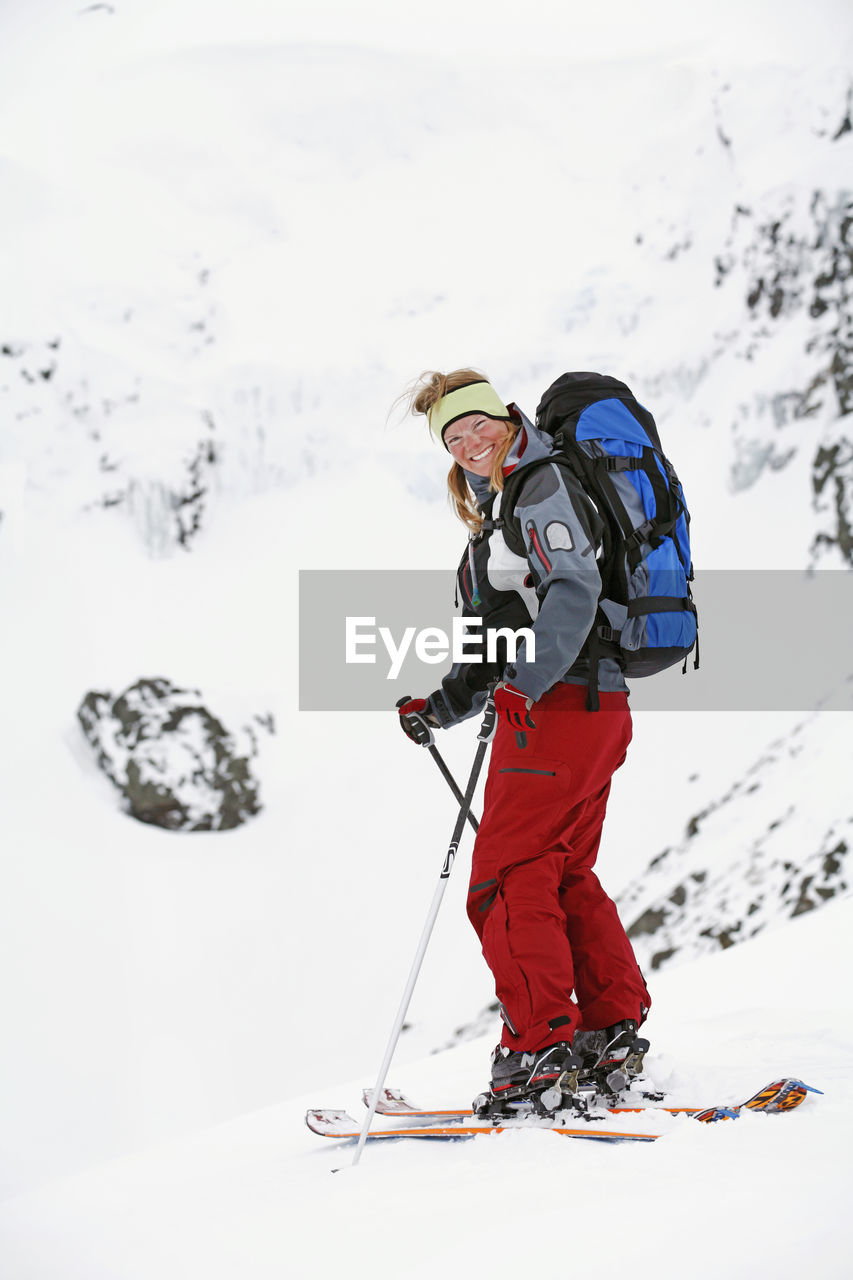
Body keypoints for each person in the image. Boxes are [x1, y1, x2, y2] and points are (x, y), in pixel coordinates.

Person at [397, 369, 651, 1112]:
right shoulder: (506, 506)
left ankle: (538, 1047)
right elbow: (495, 645)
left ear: (505, 420)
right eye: (454, 437)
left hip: (557, 712)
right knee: (561, 874)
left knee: (504, 879)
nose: (471, 442)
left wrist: (528, 686)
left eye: (479, 426)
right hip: (591, 710)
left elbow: (571, 590)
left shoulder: (538, 487)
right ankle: (607, 1032)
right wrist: (440, 708)